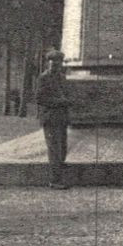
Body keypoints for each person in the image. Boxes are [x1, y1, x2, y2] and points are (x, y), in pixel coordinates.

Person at [37, 50, 72, 189]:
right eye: (53, 64)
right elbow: (40, 98)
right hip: (50, 118)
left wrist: (68, 101)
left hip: (62, 118)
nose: (56, 67)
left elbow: (67, 94)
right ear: (48, 63)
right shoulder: (43, 78)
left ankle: (59, 177)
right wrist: (59, 101)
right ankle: (54, 180)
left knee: (62, 149)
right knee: (54, 150)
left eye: (58, 64)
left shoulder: (62, 78)